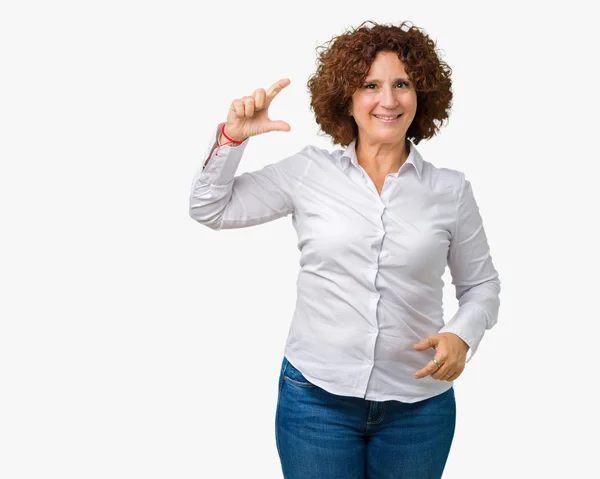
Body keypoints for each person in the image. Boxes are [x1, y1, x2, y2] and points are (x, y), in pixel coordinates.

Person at [189, 20, 500, 479]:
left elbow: (482, 285)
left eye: (402, 84)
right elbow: (210, 208)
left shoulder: (450, 190)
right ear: (346, 97)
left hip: (418, 409)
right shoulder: (307, 173)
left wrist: (462, 334)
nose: (388, 100)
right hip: (315, 402)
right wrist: (233, 138)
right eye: (370, 85)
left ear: (422, 95)